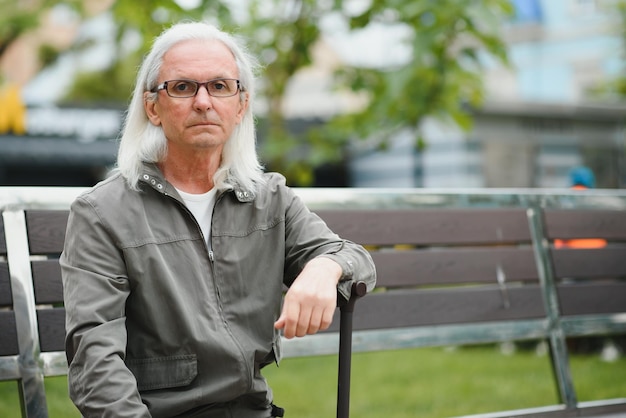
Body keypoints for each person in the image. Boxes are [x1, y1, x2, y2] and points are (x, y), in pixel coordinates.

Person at [60, 21, 376, 418]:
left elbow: (353, 257)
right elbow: (95, 362)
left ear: (241, 105)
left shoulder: (270, 198)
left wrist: (326, 267)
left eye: (220, 86)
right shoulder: (102, 214)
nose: (204, 102)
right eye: (183, 87)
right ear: (152, 107)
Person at [554, 166, 607, 249]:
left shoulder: (564, 201)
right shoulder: (600, 201)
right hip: (598, 253)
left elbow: (559, 243)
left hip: (569, 256)